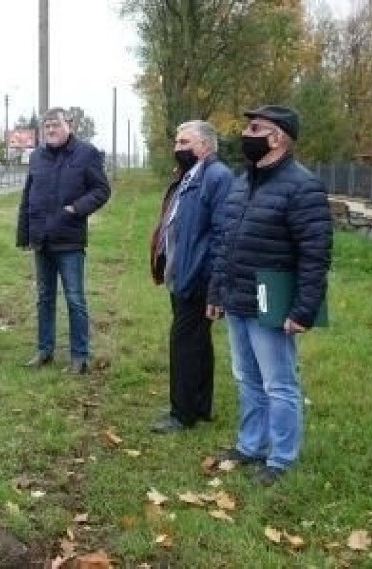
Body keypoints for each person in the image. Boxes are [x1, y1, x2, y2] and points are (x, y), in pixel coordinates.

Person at [207, 105, 333, 485]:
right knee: (246, 377)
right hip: (238, 297)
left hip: (273, 303)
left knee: (278, 382)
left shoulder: (302, 185)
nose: (246, 133)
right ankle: (250, 445)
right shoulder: (241, 181)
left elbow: (315, 253)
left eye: (255, 128)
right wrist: (217, 291)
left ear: (277, 138)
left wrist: (304, 309)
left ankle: (280, 458)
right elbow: (225, 242)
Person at [149, 120, 234, 434]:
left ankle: (182, 413)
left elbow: (221, 234)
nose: (177, 149)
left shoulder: (217, 177)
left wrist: (213, 284)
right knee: (197, 342)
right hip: (182, 273)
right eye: (176, 142)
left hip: (198, 276)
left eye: (185, 143)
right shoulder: (189, 177)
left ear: (205, 146)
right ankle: (200, 405)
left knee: (184, 342)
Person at [16, 107, 111, 374]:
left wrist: (76, 209)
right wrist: (24, 234)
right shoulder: (37, 156)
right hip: (41, 240)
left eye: (55, 126)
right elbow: (28, 196)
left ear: (68, 125)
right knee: (44, 297)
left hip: (69, 240)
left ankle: (79, 357)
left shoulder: (86, 153)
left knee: (75, 299)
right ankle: (44, 350)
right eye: (46, 127)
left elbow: (102, 190)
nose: (50, 131)